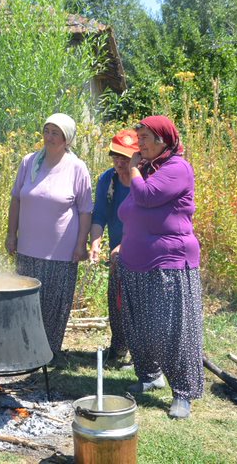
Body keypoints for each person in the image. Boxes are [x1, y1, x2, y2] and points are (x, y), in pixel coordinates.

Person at [117, 115, 203, 419]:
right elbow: (131, 209)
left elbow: (147, 197)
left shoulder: (177, 168)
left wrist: (135, 169)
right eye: (138, 138)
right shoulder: (152, 170)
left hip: (168, 262)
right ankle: (150, 376)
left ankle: (183, 392)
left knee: (172, 329)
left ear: (163, 141)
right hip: (134, 263)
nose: (138, 144)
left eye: (144, 139)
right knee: (140, 327)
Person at [6, 113, 93, 359]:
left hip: (61, 251)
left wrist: (81, 244)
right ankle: (23, 350)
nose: (50, 136)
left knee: (55, 305)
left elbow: (86, 210)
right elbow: (16, 199)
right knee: (25, 302)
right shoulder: (29, 162)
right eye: (47, 130)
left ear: (67, 138)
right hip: (27, 247)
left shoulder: (77, 167)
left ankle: (49, 353)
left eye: (56, 132)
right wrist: (11, 234)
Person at [89, 129, 138, 368]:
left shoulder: (144, 180)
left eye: (126, 157)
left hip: (143, 251)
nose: (120, 162)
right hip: (117, 255)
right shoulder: (108, 179)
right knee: (116, 300)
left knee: (137, 303)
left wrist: (123, 245)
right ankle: (119, 348)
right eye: (116, 155)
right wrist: (96, 243)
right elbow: (99, 215)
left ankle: (142, 352)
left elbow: (144, 220)